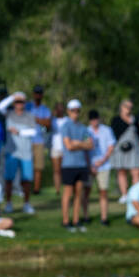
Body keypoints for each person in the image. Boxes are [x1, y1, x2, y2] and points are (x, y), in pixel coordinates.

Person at [0, 91, 37, 215]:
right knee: (9, 179)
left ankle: (26, 203)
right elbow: (0, 107)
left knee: (26, 180)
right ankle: (9, 203)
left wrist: (19, 132)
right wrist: (12, 97)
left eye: (21, 101)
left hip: (26, 153)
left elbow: (33, 132)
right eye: (17, 102)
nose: (19, 104)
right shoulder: (9, 114)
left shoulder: (29, 116)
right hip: (12, 152)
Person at [59, 99, 93, 232]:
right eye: (73, 111)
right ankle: (66, 220)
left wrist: (77, 143)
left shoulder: (83, 127)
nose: (75, 113)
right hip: (68, 165)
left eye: (77, 111)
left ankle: (76, 219)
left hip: (81, 164)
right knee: (68, 193)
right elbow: (68, 146)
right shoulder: (65, 126)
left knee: (79, 193)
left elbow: (90, 145)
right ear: (68, 111)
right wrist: (80, 144)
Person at [83, 109, 116, 226]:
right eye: (92, 119)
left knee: (103, 191)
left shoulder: (106, 130)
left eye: (96, 118)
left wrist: (102, 161)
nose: (94, 121)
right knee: (86, 191)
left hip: (104, 165)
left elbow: (111, 146)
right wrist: (90, 165)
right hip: (89, 165)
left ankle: (104, 217)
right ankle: (85, 216)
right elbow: (84, 149)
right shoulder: (86, 131)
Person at [110, 99, 139, 203]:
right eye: (126, 106)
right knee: (121, 171)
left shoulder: (135, 120)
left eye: (130, 107)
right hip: (120, 149)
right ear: (121, 107)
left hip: (134, 148)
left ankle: (135, 194)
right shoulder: (116, 120)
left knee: (136, 172)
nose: (128, 109)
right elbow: (113, 135)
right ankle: (124, 195)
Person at [30, 85, 52, 193]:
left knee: (38, 166)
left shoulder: (45, 109)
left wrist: (36, 119)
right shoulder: (28, 107)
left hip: (39, 140)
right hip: (27, 141)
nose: (38, 95)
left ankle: (36, 189)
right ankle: (26, 188)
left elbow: (48, 124)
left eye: (40, 93)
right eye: (36, 93)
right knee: (27, 166)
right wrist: (41, 120)